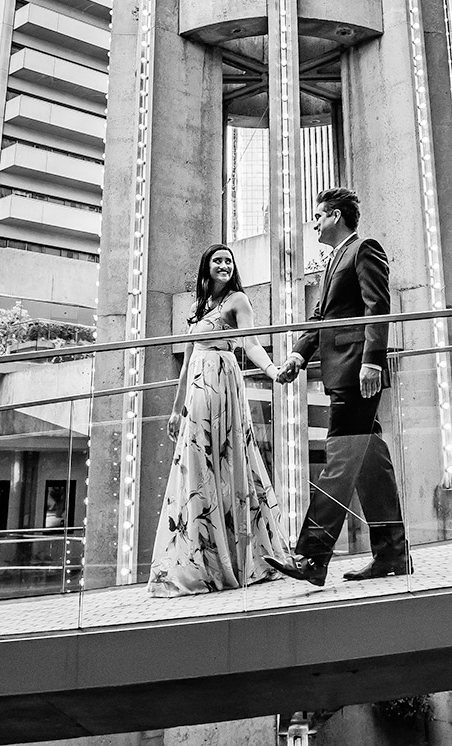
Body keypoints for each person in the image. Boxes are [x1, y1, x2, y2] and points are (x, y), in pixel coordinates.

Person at [266, 186, 413, 587]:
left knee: (339, 461)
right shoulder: (334, 259)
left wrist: (371, 361)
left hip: (355, 372)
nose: (314, 223)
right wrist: (299, 354)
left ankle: (313, 558)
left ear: (333, 215)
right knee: (370, 467)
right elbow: (321, 316)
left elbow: (377, 306)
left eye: (317, 216)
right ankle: (392, 555)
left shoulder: (364, 248)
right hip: (340, 372)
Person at [147, 244, 291, 597]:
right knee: (196, 469)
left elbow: (252, 343)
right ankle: (204, 559)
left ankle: (241, 556)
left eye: (228, 261)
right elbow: (187, 362)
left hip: (222, 385)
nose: (224, 265)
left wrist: (273, 371)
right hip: (197, 389)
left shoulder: (238, 301)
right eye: (218, 261)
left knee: (228, 463)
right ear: (206, 268)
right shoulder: (198, 308)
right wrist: (175, 409)